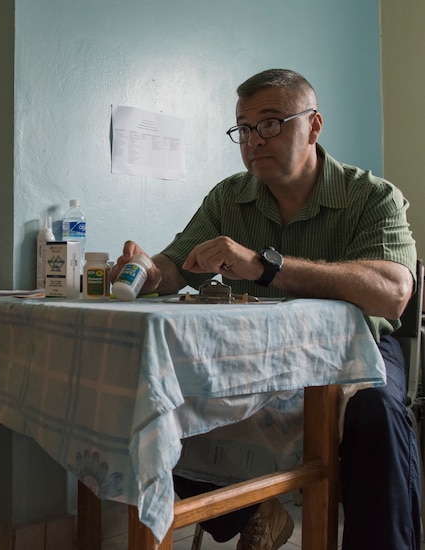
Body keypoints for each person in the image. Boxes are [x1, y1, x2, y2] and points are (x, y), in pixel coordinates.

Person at [112, 69, 420, 550]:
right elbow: (179, 265)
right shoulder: (229, 197)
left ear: (313, 126)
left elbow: (393, 292)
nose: (254, 140)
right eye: (244, 128)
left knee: (375, 411)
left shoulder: (370, 196)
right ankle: (256, 507)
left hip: (356, 350)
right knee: (155, 399)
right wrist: (151, 273)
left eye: (272, 123)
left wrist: (265, 266)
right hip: (255, 354)